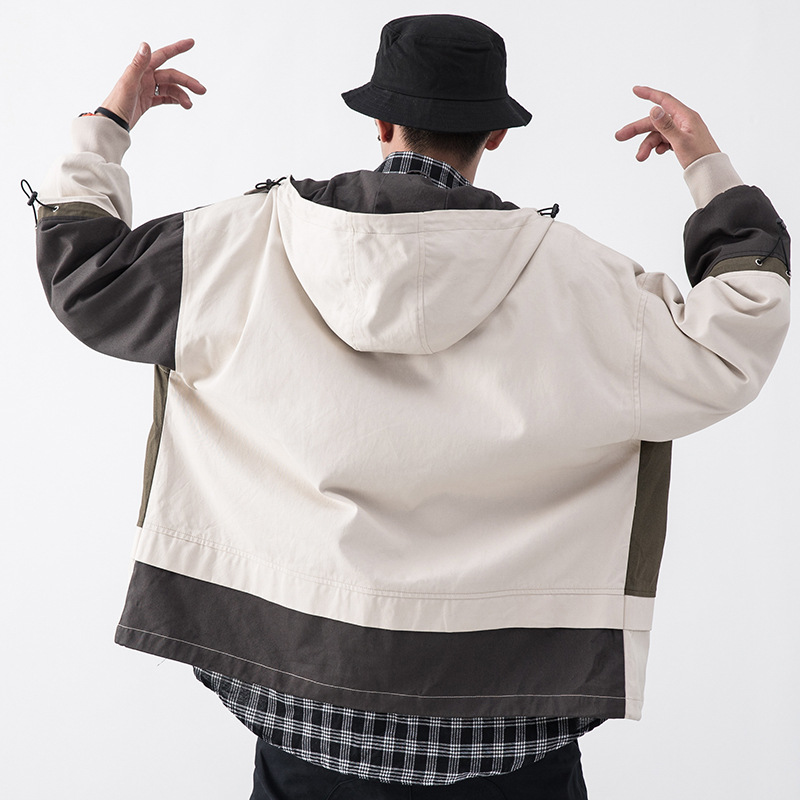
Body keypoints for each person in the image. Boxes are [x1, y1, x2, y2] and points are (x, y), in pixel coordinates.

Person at [30, 14, 789, 800]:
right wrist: (707, 169)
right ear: (495, 134)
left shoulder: (242, 245)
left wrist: (108, 124)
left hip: (303, 716)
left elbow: (83, 272)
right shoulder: (583, 284)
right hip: (513, 730)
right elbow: (737, 333)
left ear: (380, 122)